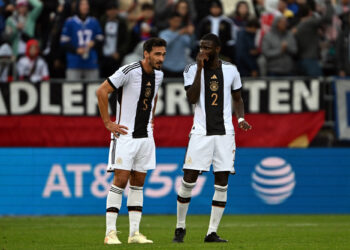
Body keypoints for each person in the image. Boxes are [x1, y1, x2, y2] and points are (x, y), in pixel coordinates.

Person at [172, 33, 251, 243]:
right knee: (189, 178)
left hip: (225, 133)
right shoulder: (191, 69)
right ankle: (180, 227)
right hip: (200, 132)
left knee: (222, 181)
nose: (202, 51)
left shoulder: (231, 70)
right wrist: (199, 69)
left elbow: (238, 98)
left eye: (207, 48)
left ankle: (211, 232)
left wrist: (241, 118)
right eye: (201, 47)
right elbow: (191, 98)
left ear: (217, 49)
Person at [96, 37, 167, 245]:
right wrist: (108, 122)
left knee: (138, 183)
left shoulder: (159, 76)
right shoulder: (128, 71)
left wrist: (152, 117)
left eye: (163, 54)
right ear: (146, 53)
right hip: (125, 135)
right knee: (120, 179)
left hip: (146, 136)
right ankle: (110, 233)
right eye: (157, 54)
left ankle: (134, 233)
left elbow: (153, 97)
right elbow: (102, 91)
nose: (161, 58)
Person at [60, 0, 103, 81]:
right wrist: (76, 50)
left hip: (91, 62)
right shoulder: (70, 22)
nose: (85, 6)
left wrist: (94, 43)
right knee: (72, 88)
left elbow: (101, 38)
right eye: (82, 4)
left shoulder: (94, 22)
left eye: (87, 4)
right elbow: (64, 42)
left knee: (93, 90)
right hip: (74, 62)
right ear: (77, 6)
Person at [159, 12, 193, 77]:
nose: (177, 23)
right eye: (175, 21)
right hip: (167, 67)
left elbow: (190, 45)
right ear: (170, 21)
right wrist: (178, 34)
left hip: (181, 67)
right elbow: (165, 44)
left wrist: (191, 34)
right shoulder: (163, 33)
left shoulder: (184, 34)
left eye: (179, 21)